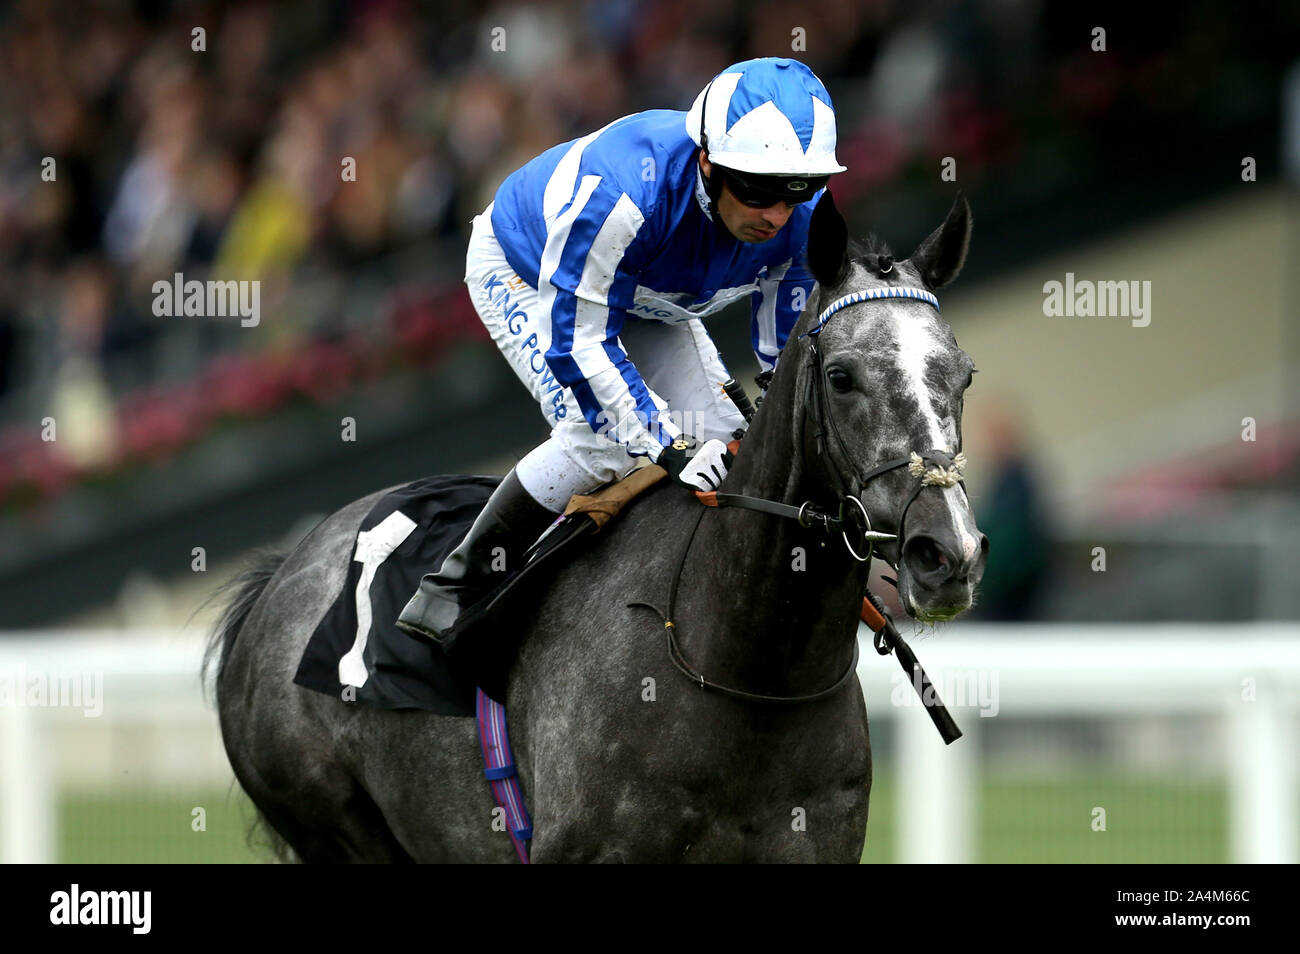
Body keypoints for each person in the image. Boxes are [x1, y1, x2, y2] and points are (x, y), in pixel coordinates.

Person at [397, 57, 847, 647]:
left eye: (799, 193)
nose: (777, 216)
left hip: (642, 293)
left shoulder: (800, 220)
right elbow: (577, 340)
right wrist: (666, 444)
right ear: (707, 162)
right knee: (605, 440)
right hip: (530, 273)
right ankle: (455, 587)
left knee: (728, 440)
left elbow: (784, 352)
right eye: (759, 191)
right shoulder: (625, 195)